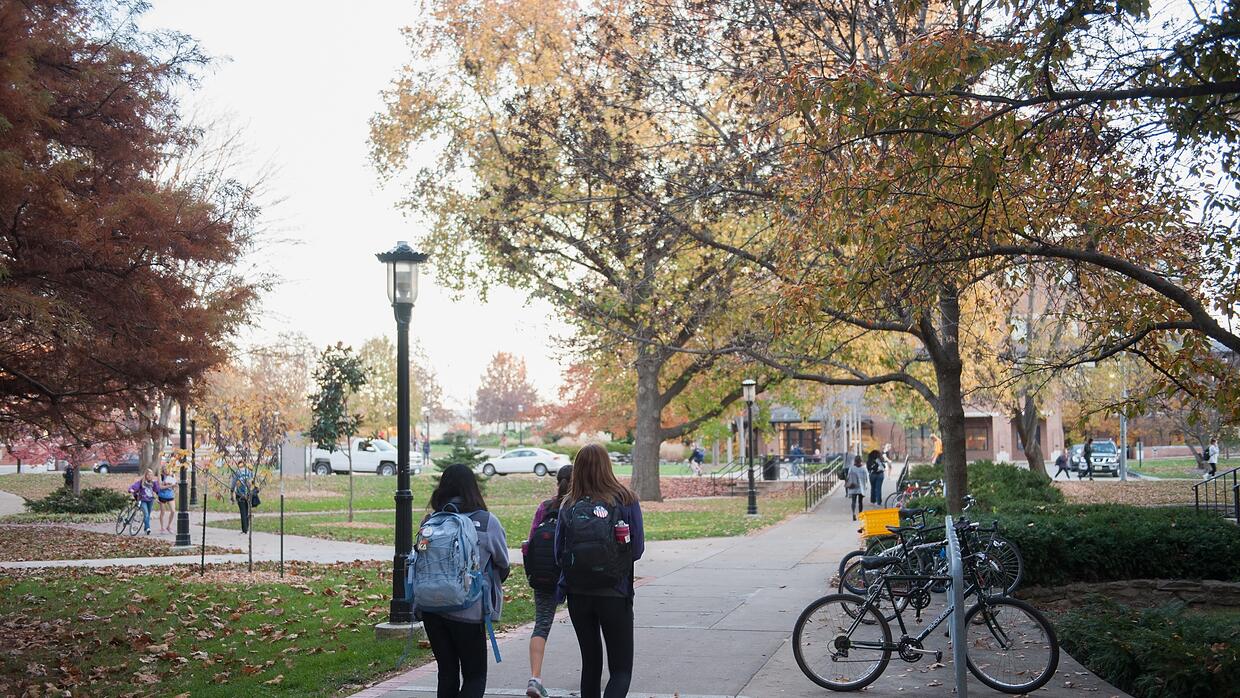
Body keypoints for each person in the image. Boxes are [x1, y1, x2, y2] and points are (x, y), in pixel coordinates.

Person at [555, 444, 644, 698]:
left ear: (578, 469)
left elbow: (557, 553)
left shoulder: (568, 504)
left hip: (578, 594)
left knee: (590, 665)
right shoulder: (626, 499)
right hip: (615, 592)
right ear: (607, 466)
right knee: (620, 671)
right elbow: (636, 549)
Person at [419, 464, 509, 698]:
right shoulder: (487, 521)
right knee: (475, 676)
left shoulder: (430, 523)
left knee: (446, 673)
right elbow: (503, 564)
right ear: (473, 488)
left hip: (431, 609)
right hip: (468, 610)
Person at [523, 465, 572, 698]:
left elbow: (530, 543)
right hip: (575, 575)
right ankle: (594, 673)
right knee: (591, 625)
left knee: (542, 624)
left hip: (545, 575)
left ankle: (535, 677)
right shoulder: (579, 507)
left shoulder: (545, 507)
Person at [127, 469, 159, 535]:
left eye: (151, 475)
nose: (149, 476)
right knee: (146, 514)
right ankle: (148, 528)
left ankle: (146, 529)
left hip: (150, 500)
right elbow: (133, 487)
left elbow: (157, 490)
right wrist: (131, 490)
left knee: (148, 515)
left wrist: (157, 484)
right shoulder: (141, 482)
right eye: (148, 475)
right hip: (142, 500)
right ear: (145, 475)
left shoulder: (153, 483)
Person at [230, 465, 256, 534]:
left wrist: (232, 495)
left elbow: (233, 484)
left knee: (243, 511)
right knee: (247, 510)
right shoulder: (250, 472)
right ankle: (247, 527)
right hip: (248, 494)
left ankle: (244, 529)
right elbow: (253, 483)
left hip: (240, 495)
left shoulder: (237, 472)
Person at [845, 455, 868, 520]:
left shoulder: (852, 468)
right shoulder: (864, 468)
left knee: (853, 501)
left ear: (855, 460)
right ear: (861, 460)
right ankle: (860, 515)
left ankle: (853, 514)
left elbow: (848, 476)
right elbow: (866, 477)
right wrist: (866, 485)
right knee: (860, 502)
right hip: (861, 487)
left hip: (853, 486)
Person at [157, 463, 177, 534]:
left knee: (173, 511)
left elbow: (175, 485)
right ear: (163, 469)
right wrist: (169, 485)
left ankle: (168, 526)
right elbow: (161, 487)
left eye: (167, 468)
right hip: (162, 496)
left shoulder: (172, 475)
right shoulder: (161, 476)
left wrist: (174, 486)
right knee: (163, 512)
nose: (166, 470)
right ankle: (162, 527)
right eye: (165, 469)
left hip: (170, 495)